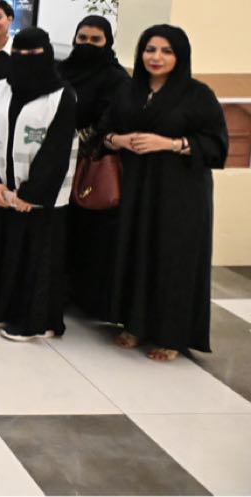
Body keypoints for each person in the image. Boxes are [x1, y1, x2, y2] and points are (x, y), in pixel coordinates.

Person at [101, 25, 228, 361]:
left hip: (181, 192)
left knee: (174, 258)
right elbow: (104, 132)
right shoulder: (129, 91)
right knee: (136, 250)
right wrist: (120, 140)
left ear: (180, 56)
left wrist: (169, 144)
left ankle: (172, 335)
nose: (156, 57)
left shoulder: (197, 95)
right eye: (150, 49)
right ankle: (135, 324)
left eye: (166, 51)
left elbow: (216, 145)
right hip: (137, 189)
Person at [0, 27, 77, 342]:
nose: (26, 59)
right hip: (5, 193)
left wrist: (32, 194)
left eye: (34, 53)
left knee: (37, 260)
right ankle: (5, 309)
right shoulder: (2, 88)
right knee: (8, 255)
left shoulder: (62, 96)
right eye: (19, 53)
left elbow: (57, 150)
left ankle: (36, 322)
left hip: (41, 198)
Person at [57, 16, 131, 319]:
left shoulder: (117, 79)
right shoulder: (61, 71)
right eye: (82, 38)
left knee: (91, 234)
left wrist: (75, 142)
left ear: (107, 42)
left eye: (95, 40)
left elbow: (112, 120)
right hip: (56, 165)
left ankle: (89, 300)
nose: (87, 44)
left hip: (92, 165)